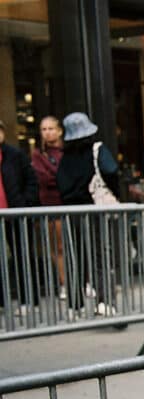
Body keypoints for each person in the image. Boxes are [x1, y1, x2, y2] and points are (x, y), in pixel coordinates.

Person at [56, 112, 119, 315]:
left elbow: (61, 184)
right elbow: (110, 171)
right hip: (95, 209)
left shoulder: (65, 158)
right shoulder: (97, 149)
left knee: (75, 257)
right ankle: (105, 302)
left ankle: (76, 305)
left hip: (72, 211)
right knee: (102, 255)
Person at [1, 118, 40, 314]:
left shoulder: (15, 155)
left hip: (15, 213)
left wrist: (25, 204)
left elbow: (31, 181)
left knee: (23, 257)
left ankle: (28, 300)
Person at [30, 115, 66, 298]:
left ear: (59, 130)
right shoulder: (38, 155)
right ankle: (64, 283)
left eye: (51, 128)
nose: (47, 132)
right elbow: (45, 177)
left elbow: (65, 175)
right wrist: (61, 176)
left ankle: (83, 282)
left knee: (74, 246)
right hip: (50, 204)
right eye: (44, 129)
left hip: (69, 203)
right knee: (57, 247)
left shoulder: (67, 152)